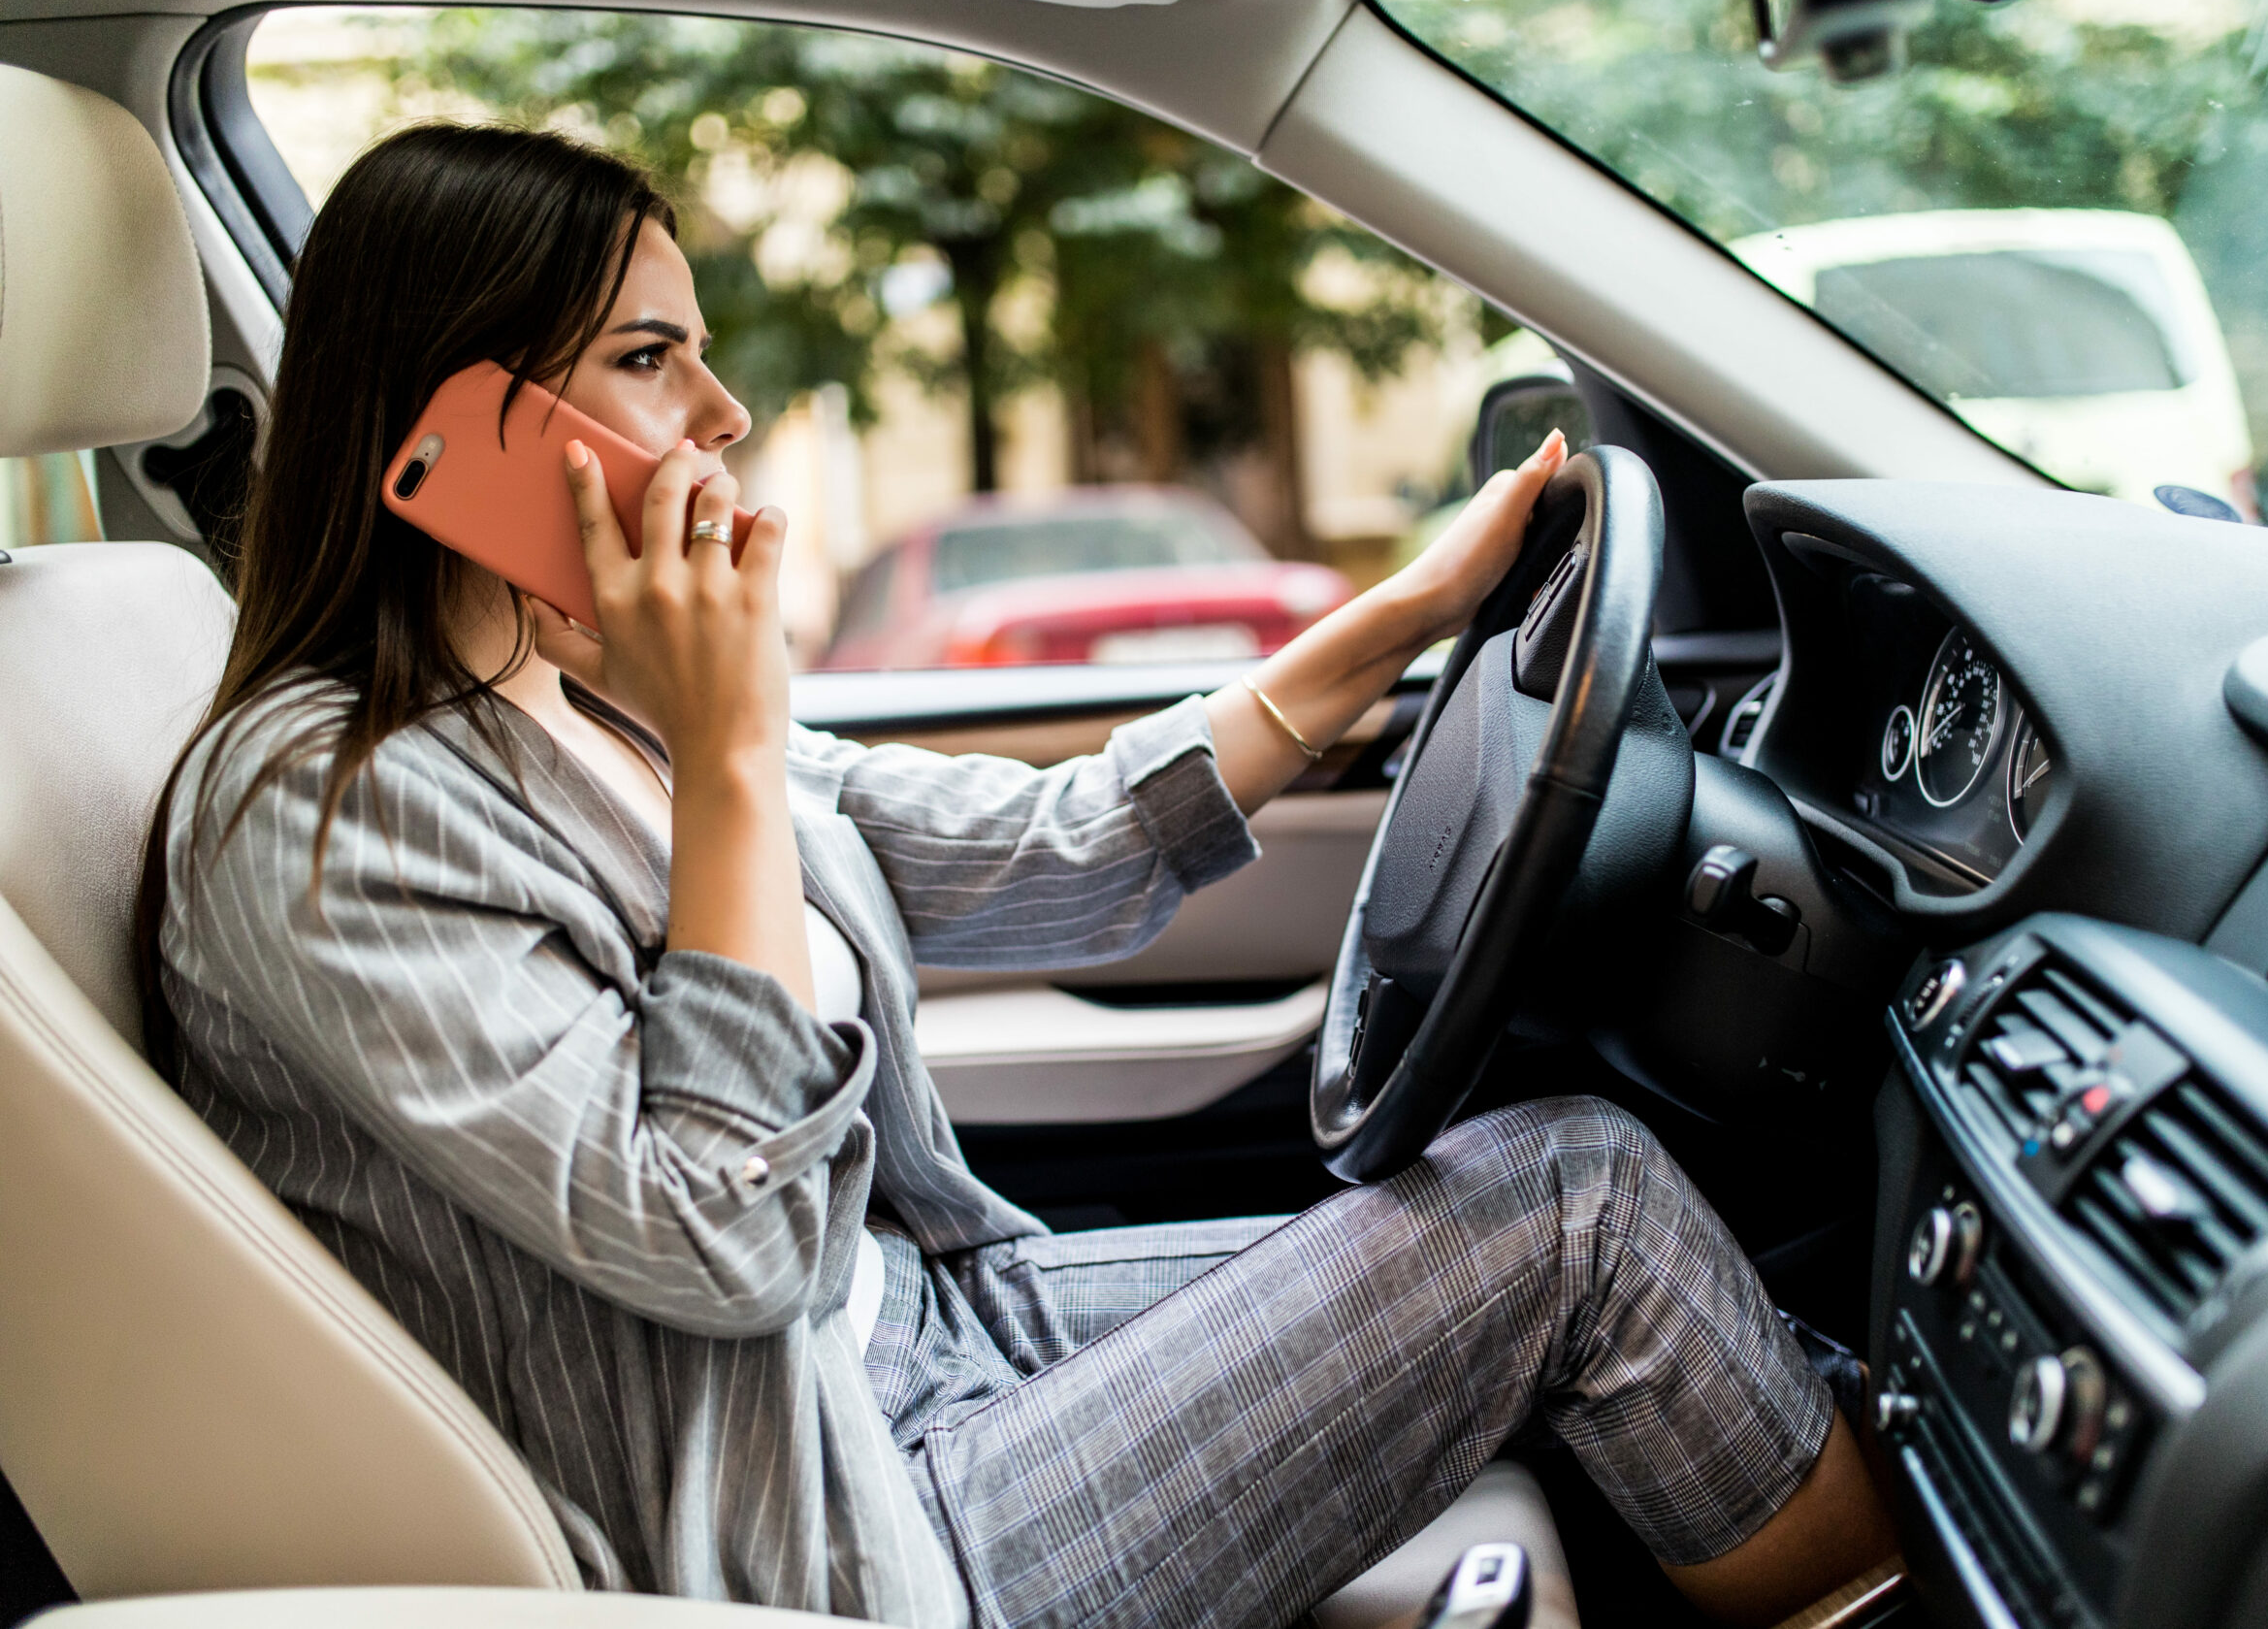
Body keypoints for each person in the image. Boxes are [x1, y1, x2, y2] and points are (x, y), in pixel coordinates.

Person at [141, 122, 1895, 1629]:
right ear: (476, 423)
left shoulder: (587, 703)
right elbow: (726, 1240)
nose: (730, 413)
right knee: (1577, 1212)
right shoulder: (315, 807)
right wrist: (735, 758)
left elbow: (1059, 852)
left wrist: (1415, 615)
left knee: (1582, 1210)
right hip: (834, 1537)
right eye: (653, 358)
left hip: (948, 1340)